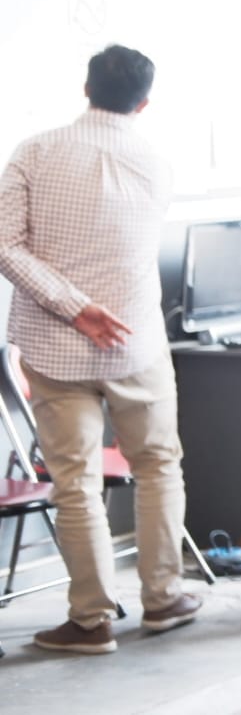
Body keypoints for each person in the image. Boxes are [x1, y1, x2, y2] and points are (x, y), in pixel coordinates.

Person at [0, 44, 199, 654]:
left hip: (56, 347)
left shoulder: (35, 151)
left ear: (86, 88)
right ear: (144, 102)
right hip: (137, 344)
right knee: (159, 465)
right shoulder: (156, 162)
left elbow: (5, 247)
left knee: (74, 482)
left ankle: (89, 622)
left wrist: (72, 305)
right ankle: (163, 599)